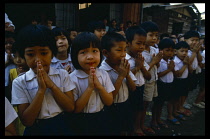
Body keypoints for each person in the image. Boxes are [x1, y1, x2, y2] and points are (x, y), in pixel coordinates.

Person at [11, 24, 75, 136]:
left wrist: (52, 86)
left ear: (52, 53)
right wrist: (41, 90)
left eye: (44, 53)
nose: (38, 59)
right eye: (30, 54)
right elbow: (27, 121)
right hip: (36, 129)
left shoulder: (62, 75)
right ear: (23, 56)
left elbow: (70, 107)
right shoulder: (19, 82)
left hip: (62, 125)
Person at [69, 32, 114, 135]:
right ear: (75, 56)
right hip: (82, 120)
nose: (90, 57)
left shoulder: (103, 74)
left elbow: (109, 101)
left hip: (101, 117)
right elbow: (76, 109)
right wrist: (89, 88)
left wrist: (99, 87)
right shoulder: (72, 78)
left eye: (94, 51)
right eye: (83, 52)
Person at [100, 32, 137, 136]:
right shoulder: (102, 71)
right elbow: (110, 98)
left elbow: (133, 88)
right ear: (106, 53)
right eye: (119, 50)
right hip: (112, 108)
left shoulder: (123, 66)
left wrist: (127, 75)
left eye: (125, 50)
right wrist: (120, 76)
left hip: (125, 103)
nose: (123, 54)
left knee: (125, 129)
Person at [125, 26, 151, 136]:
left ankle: (138, 127)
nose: (142, 47)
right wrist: (137, 67)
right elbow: (126, 78)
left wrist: (142, 66)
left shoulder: (140, 57)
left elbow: (148, 76)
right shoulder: (125, 59)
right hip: (129, 90)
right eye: (138, 43)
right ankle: (131, 129)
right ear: (128, 43)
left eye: (143, 44)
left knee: (140, 109)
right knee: (130, 111)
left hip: (141, 87)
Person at [140, 21, 163, 135]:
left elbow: (156, 66)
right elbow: (143, 71)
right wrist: (154, 62)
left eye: (156, 36)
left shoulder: (154, 49)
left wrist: (157, 62)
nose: (154, 38)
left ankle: (142, 124)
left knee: (148, 104)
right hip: (145, 82)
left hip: (154, 80)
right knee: (142, 106)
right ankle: (140, 126)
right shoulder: (141, 52)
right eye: (151, 35)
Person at [151, 38, 175, 131]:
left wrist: (171, 69)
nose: (170, 53)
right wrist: (169, 69)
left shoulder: (170, 61)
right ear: (161, 50)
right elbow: (158, 75)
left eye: (172, 51)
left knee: (161, 104)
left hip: (169, 84)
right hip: (160, 85)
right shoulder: (159, 61)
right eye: (167, 50)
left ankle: (158, 119)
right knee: (157, 104)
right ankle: (153, 121)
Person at [9, 43, 29, 136]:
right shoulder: (12, 72)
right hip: (18, 111)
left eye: (21, 56)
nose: (17, 60)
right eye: (15, 56)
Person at [173, 41, 193, 121]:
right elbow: (178, 74)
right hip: (178, 81)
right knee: (175, 98)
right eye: (182, 51)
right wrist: (185, 65)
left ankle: (178, 110)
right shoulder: (175, 61)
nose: (184, 53)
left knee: (182, 96)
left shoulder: (185, 60)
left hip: (185, 80)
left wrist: (188, 64)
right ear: (175, 51)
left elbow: (191, 71)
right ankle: (173, 112)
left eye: (186, 51)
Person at [5, 31, 16, 102]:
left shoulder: (17, 54)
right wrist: (7, 62)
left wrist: (12, 60)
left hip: (15, 81)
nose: (8, 45)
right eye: (5, 43)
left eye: (11, 43)